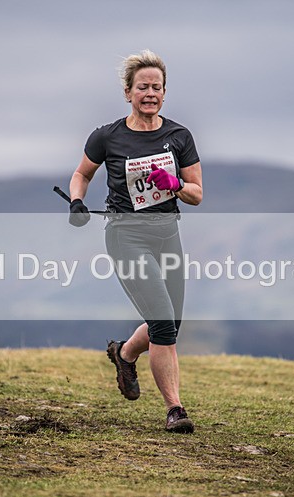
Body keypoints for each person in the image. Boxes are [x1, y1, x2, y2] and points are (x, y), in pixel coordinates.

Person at [67, 50, 203, 433]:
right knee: (162, 323)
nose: (150, 93)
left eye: (156, 87)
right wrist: (77, 202)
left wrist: (174, 184)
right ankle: (175, 409)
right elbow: (81, 174)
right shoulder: (107, 136)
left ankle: (125, 354)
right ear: (128, 92)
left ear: (164, 93)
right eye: (142, 87)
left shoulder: (179, 136)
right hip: (126, 236)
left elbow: (197, 193)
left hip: (167, 235)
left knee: (171, 324)